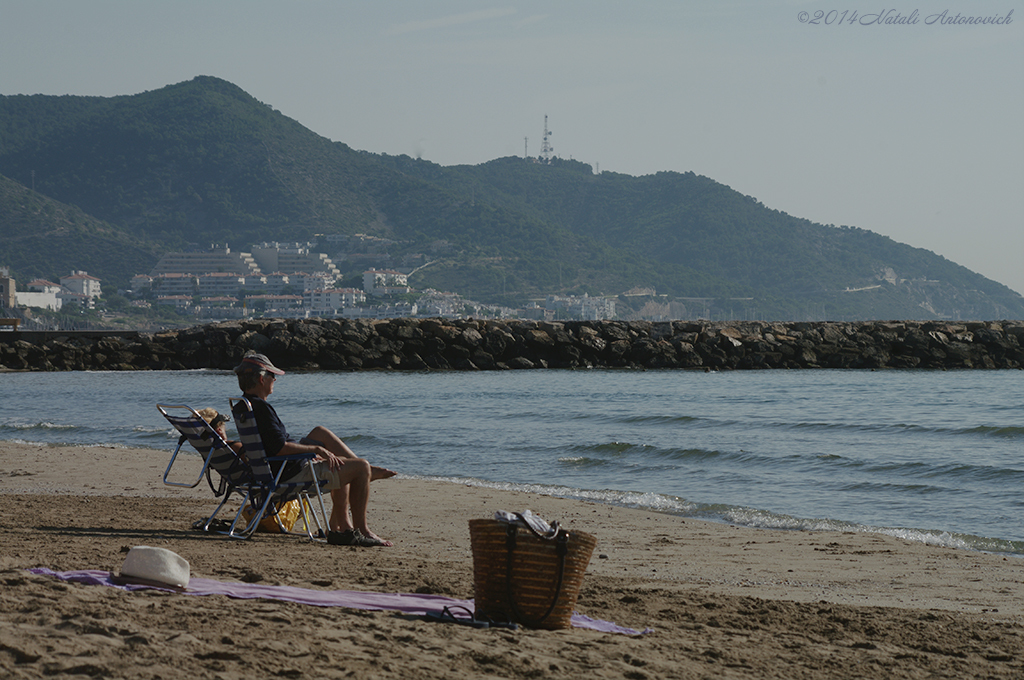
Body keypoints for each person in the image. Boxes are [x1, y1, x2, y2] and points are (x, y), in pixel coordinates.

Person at [231, 352, 395, 547]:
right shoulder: (262, 409)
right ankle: (362, 529)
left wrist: (312, 452)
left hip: (279, 468)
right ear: (261, 378)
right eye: (272, 376)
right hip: (288, 472)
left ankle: (341, 524)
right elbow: (280, 449)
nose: (275, 380)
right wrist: (315, 450)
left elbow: (272, 447)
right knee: (359, 467)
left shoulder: (245, 406)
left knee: (321, 433)